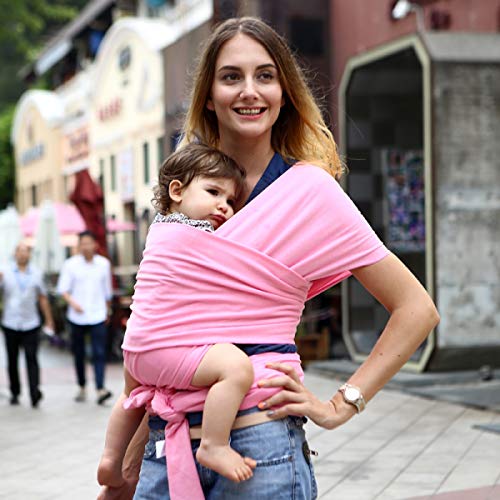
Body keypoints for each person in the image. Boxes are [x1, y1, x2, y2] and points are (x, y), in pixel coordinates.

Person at [98, 16, 439, 500]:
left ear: (284, 92)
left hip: (263, 451)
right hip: (167, 451)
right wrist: (127, 468)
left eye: (265, 75)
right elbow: (150, 329)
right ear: (209, 95)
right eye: (231, 76)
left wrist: (342, 405)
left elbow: (416, 309)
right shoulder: (187, 191)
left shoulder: (311, 192)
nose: (249, 91)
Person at [98, 143, 261, 485]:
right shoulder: (198, 234)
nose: (224, 206)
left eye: (231, 201)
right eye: (214, 191)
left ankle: (111, 459)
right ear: (177, 190)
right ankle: (214, 445)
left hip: (136, 348)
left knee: (131, 397)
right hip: (165, 347)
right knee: (235, 368)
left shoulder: (159, 230)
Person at [57, 230, 113, 405]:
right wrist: (73, 303)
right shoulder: (70, 265)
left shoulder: (103, 264)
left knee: (99, 352)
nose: (87, 246)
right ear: (79, 245)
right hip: (77, 316)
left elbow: (107, 291)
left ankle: (100, 388)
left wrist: (107, 311)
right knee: (79, 353)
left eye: (90, 242)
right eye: (83, 243)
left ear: (94, 244)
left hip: (97, 314)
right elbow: (63, 290)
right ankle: (81, 385)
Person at [0, 243, 54, 407]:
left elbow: (43, 298)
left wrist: (49, 319)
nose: (23, 255)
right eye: (20, 251)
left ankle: (34, 392)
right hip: (10, 322)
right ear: (14, 254)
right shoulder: (6, 273)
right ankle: (15, 391)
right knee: (12, 359)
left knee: (32, 358)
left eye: (26, 252)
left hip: (31, 323)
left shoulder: (37, 273)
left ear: (29, 255)